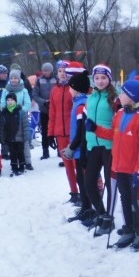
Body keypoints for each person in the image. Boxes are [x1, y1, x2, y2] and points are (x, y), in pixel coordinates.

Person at [110, 80, 139, 249]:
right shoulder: (119, 114)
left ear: (132, 97)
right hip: (120, 166)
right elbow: (114, 137)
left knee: (136, 199)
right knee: (124, 198)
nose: (120, 95)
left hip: (134, 169)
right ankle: (129, 228)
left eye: (123, 93)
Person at [84, 64, 117, 237]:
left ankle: (109, 219)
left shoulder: (114, 97)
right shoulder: (91, 97)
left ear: (109, 79)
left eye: (103, 78)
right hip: (93, 145)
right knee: (89, 183)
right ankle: (102, 213)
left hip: (109, 147)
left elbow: (117, 125)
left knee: (110, 185)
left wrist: (96, 128)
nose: (100, 81)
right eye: (97, 78)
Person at [61, 67, 95, 224]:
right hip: (78, 149)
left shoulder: (81, 106)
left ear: (76, 89)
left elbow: (82, 131)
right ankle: (85, 207)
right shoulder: (78, 103)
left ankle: (90, 209)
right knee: (80, 180)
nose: (69, 90)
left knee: (84, 181)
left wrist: (72, 147)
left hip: (82, 150)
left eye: (70, 87)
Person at [49, 60, 80, 204]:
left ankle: (85, 193)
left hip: (73, 133)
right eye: (60, 71)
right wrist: (50, 133)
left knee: (77, 164)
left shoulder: (74, 88)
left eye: (65, 71)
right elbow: (52, 113)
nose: (62, 74)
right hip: (60, 132)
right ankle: (74, 192)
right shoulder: (54, 90)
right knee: (68, 166)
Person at [1, 69, 33, 170]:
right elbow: (2, 102)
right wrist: (6, 110)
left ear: (19, 79)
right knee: (12, 140)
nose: (13, 80)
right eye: (11, 78)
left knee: (24, 142)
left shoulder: (24, 90)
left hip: (20, 115)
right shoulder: (6, 90)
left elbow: (28, 103)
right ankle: (14, 162)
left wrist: (21, 111)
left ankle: (27, 162)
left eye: (15, 78)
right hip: (9, 116)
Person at [0, 92, 29, 176]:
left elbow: (26, 125)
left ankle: (22, 166)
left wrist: (26, 135)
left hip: (20, 137)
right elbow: (2, 126)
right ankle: (14, 167)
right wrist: (3, 137)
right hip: (10, 137)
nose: (10, 102)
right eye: (8, 100)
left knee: (20, 152)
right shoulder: (4, 112)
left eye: (12, 100)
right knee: (12, 153)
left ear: (15, 101)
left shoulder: (21, 111)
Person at [33, 62, 57, 160]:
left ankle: (60, 151)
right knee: (44, 131)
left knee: (57, 131)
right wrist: (43, 102)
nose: (44, 72)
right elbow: (35, 94)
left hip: (55, 109)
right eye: (43, 70)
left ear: (51, 71)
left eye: (46, 70)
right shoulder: (39, 80)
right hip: (44, 109)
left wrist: (54, 102)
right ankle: (45, 151)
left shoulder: (57, 79)